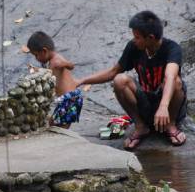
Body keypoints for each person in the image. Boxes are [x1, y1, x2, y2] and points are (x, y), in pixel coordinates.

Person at [75, 11, 187, 149]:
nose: (134, 40)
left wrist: (163, 107)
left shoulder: (172, 48)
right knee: (119, 80)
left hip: (168, 105)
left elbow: (170, 76)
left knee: (176, 81)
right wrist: (81, 81)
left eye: (137, 37)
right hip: (146, 102)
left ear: (151, 38)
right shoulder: (133, 47)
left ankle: (170, 124)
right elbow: (113, 72)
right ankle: (141, 126)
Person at [27, 31, 83, 128]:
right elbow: (48, 73)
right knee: (54, 123)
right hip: (68, 98)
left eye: (36, 55)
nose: (36, 58)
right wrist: (37, 70)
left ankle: (64, 140)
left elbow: (71, 65)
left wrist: (64, 64)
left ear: (44, 51)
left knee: (59, 126)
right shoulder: (53, 61)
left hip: (69, 99)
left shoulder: (56, 61)